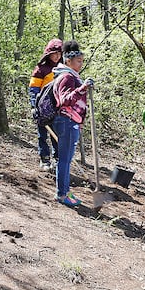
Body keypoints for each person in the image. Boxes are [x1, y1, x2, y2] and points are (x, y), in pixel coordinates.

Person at [52, 40, 93, 207]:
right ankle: (62, 194)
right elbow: (64, 100)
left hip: (72, 122)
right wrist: (82, 88)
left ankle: (65, 191)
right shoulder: (66, 77)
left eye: (82, 61)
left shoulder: (71, 76)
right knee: (64, 160)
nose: (81, 64)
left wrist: (80, 121)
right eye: (78, 61)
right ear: (68, 61)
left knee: (66, 160)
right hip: (66, 122)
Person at [29, 38, 63, 170]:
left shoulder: (62, 69)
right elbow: (33, 89)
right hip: (42, 107)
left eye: (59, 54)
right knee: (42, 134)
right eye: (54, 53)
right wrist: (34, 106)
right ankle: (44, 159)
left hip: (57, 108)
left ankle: (57, 159)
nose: (57, 56)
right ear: (49, 53)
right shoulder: (40, 69)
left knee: (57, 135)